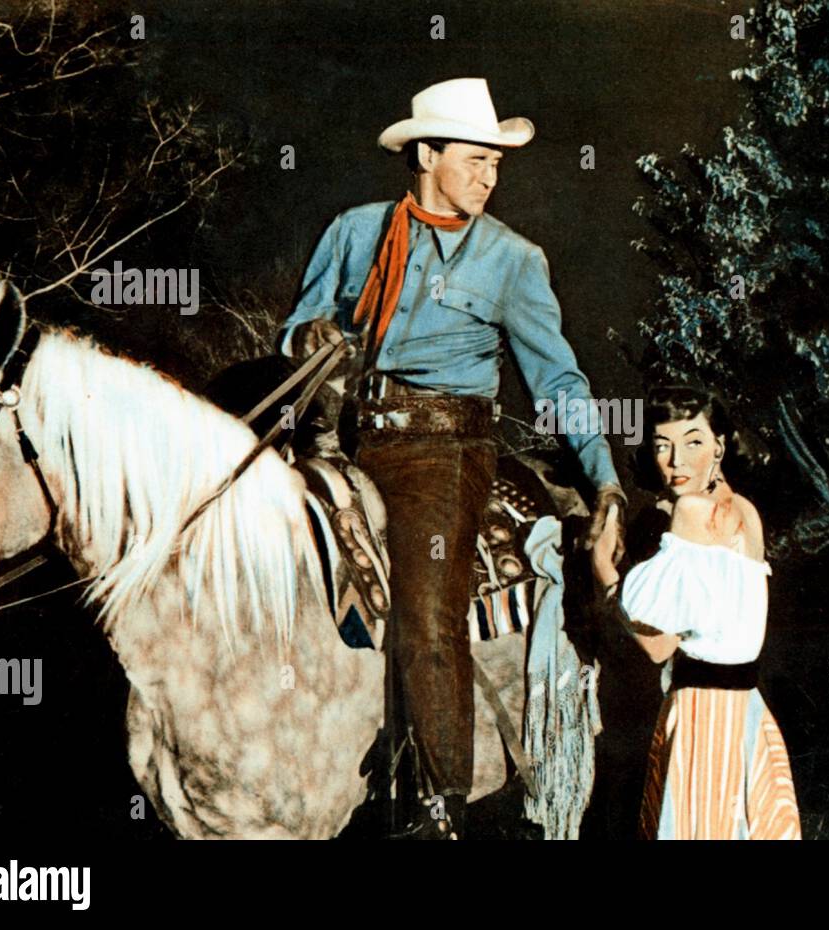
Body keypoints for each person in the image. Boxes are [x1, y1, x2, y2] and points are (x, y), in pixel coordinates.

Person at [277, 78, 627, 839]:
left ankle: (439, 810)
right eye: (475, 160)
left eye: (495, 164)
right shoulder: (354, 232)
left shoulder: (513, 260)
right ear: (426, 154)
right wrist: (312, 343)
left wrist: (603, 479)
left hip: (444, 451)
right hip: (346, 436)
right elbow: (298, 329)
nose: (489, 176)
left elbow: (558, 380)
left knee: (427, 614)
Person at [591, 385, 801, 839]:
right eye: (663, 445)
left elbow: (656, 643)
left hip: (703, 718)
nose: (676, 460)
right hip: (746, 714)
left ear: (719, 447)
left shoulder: (690, 511)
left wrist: (605, 570)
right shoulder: (746, 511)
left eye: (693, 442)